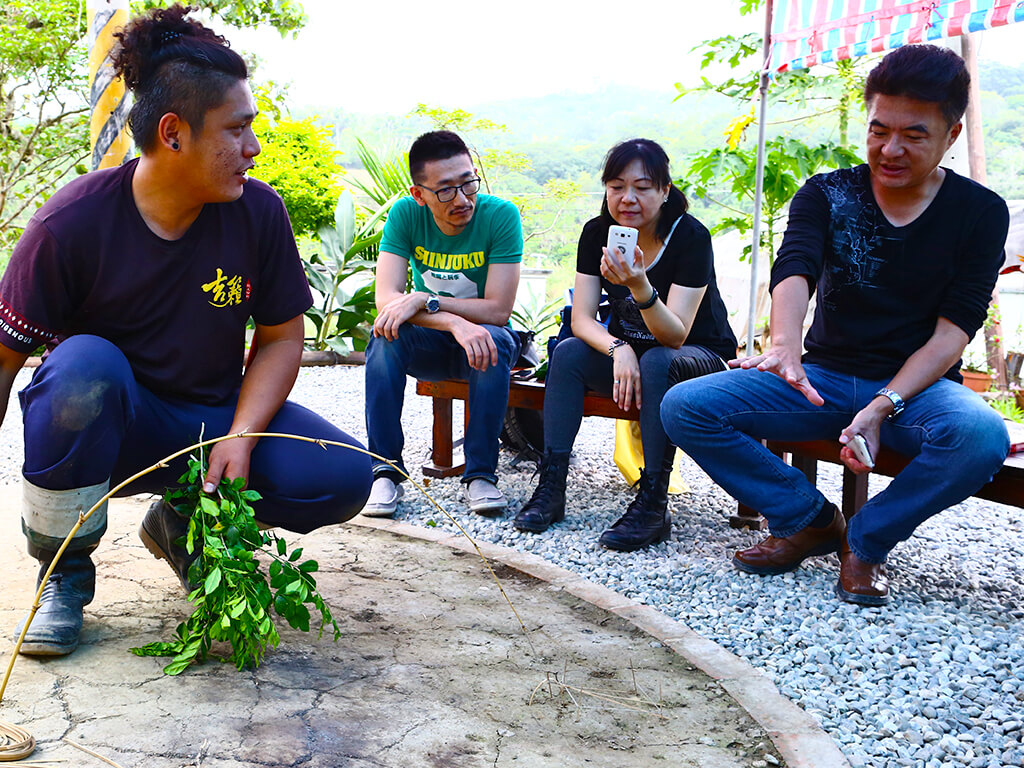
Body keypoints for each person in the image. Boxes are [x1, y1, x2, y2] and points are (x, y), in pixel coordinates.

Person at [0, 4, 372, 657]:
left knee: (342, 475)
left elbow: (283, 337)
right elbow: (4, 362)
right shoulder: (71, 226)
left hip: (206, 425)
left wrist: (243, 432)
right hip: (107, 430)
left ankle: (179, 522)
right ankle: (62, 573)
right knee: (83, 370)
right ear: (174, 133)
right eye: (237, 130)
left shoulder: (258, 213)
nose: (253, 148)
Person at [662, 45, 1010, 605]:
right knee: (687, 405)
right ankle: (809, 520)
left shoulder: (980, 211)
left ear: (951, 136)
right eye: (879, 130)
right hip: (819, 379)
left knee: (980, 436)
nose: (890, 149)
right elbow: (794, 266)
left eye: (914, 135)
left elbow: (955, 330)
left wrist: (883, 405)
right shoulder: (828, 192)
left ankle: (867, 544)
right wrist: (784, 346)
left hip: (915, 393)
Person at [513, 139, 737, 551]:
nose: (627, 198)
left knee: (657, 360)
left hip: (701, 357)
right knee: (567, 354)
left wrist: (638, 284)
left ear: (665, 190)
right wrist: (618, 348)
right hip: (634, 353)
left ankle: (653, 500)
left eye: (642, 187)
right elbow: (581, 320)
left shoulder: (689, 237)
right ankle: (551, 486)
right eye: (616, 186)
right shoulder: (597, 233)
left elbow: (676, 335)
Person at [361, 131, 522, 518]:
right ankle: (384, 469)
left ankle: (480, 474)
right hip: (434, 342)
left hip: (485, 342)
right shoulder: (405, 214)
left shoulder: (500, 215)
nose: (463, 199)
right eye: (446, 190)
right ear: (420, 194)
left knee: (492, 340)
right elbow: (388, 301)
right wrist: (449, 319)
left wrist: (425, 299)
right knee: (384, 336)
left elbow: (499, 310)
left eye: (468, 183)